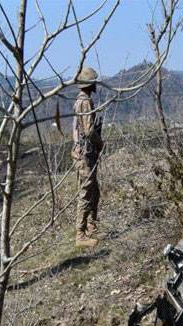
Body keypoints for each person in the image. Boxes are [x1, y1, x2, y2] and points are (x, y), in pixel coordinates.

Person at [72, 66, 104, 248]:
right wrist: (100, 143)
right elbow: (89, 130)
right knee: (86, 192)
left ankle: (91, 226)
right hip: (84, 154)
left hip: (86, 153)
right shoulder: (84, 102)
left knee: (94, 191)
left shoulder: (83, 101)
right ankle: (80, 234)